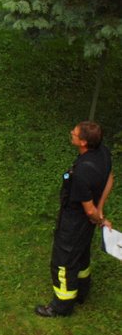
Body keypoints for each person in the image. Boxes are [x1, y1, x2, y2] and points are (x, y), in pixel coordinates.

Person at [35, 120, 114, 317]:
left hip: (74, 222)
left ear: (84, 143)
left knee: (63, 262)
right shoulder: (103, 153)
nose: (71, 133)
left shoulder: (82, 174)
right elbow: (110, 178)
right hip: (85, 224)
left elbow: (88, 211)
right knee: (81, 255)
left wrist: (97, 216)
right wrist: (101, 210)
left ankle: (62, 306)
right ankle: (81, 291)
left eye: (75, 134)